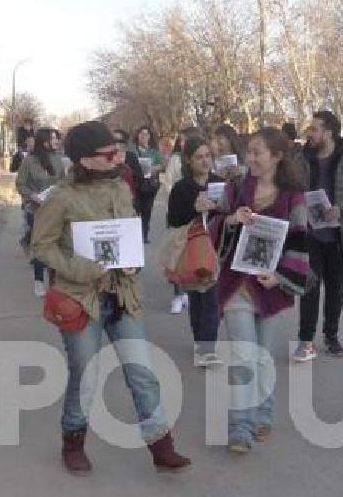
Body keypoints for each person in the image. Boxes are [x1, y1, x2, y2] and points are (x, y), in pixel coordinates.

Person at [31, 120, 191, 475]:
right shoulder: (61, 197)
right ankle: (72, 441)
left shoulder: (121, 187)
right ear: (85, 160)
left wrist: (132, 260)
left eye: (118, 149)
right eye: (109, 153)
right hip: (79, 298)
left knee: (142, 373)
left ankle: (161, 446)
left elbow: (128, 229)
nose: (119, 156)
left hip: (123, 295)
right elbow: (40, 246)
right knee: (85, 376)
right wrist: (81, 268)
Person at [211, 127, 310, 453]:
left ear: (277, 156)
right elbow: (213, 221)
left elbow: (299, 242)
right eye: (248, 152)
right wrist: (231, 220)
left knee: (264, 357)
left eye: (257, 152)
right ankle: (240, 427)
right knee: (244, 356)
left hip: (271, 286)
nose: (250, 158)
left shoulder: (294, 196)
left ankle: (263, 414)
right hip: (237, 283)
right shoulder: (236, 185)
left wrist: (281, 277)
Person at [292, 111, 343, 361]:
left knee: (335, 289)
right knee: (309, 288)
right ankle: (306, 341)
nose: (310, 134)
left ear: (329, 132)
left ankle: (331, 336)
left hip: (340, 236)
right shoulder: (303, 156)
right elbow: (291, 183)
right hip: (310, 234)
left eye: (314, 129)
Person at [166, 136, 226, 367]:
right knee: (197, 297)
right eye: (199, 157)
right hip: (191, 249)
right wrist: (194, 209)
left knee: (212, 298)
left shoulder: (219, 183)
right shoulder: (182, 188)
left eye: (208, 156)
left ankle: (206, 348)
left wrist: (218, 208)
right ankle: (200, 342)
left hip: (216, 248)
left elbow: (227, 213)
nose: (204, 161)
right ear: (189, 161)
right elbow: (173, 220)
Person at [17, 128, 67, 297]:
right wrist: (33, 196)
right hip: (36, 210)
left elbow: (63, 181)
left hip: (55, 209)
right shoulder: (29, 161)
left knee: (56, 245)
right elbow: (21, 184)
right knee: (41, 245)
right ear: (44, 140)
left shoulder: (58, 160)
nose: (56, 141)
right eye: (53, 138)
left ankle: (55, 281)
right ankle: (39, 280)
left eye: (57, 138)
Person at [132, 126, 165, 244]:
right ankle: (134, 234)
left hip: (150, 185)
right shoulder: (133, 150)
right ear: (137, 135)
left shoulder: (154, 152)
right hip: (135, 185)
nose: (144, 136)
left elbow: (162, 165)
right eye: (141, 134)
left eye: (146, 134)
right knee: (135, 210)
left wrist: (153, 168)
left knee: (147, 211)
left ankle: (144, 235)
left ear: (150, 137)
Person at [112, 129, 145, 213]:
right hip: (111, 200)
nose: (115, 143)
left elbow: (140, 177)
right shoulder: (106, 158)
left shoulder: (131, 156)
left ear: (124, 143)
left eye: (118, 141)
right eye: (112, 140)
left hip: (130, 200)